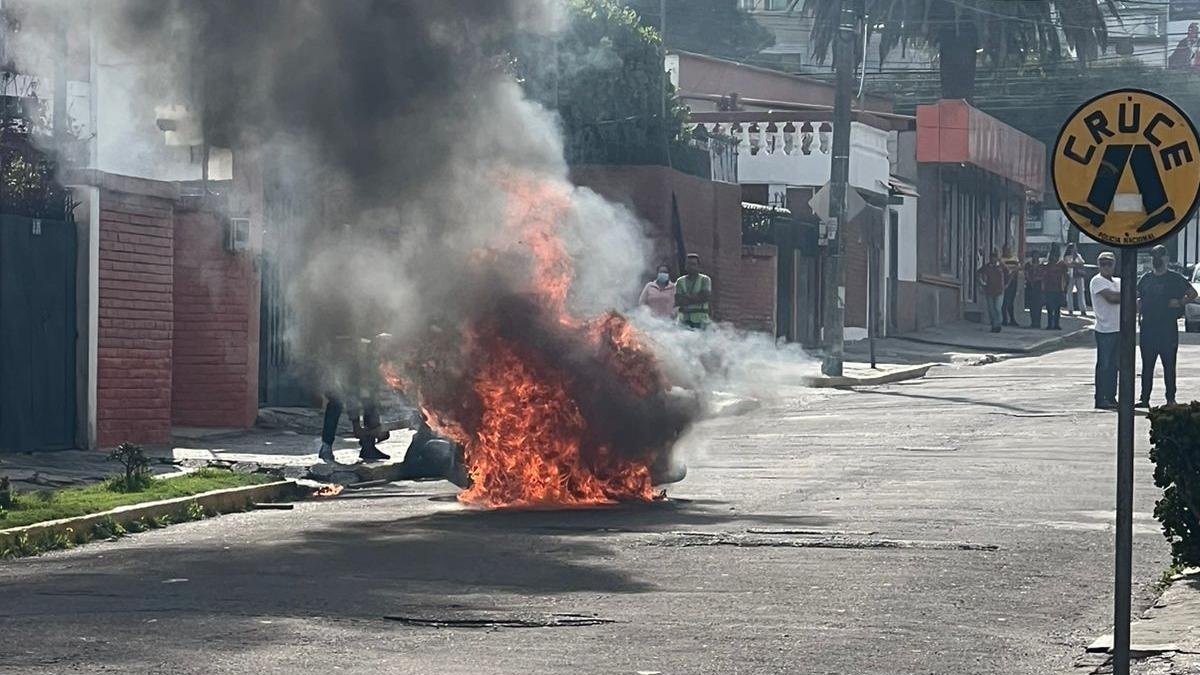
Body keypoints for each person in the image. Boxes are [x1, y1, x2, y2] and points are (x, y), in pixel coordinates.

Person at [1137, 245, 1197, 407]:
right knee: (1147, 366)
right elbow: (1138, 297)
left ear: (1166, 258)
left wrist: (1180, 302)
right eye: (1154, 256)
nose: (1157, 259)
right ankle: (1144, 399)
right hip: (1148, 329)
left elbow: (1193, 293)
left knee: (1169, 366)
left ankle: (1170, 399)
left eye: (1160, 256)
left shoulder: (1175, 278)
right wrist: (1138, 308)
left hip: (1167, 329)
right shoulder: (1145, 279)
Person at [318, 333, 392, 463]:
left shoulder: (372, 356)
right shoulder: (359, 357)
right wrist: (356, 425)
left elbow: (368, 387)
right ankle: (326, 447)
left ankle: (369, 448)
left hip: (352, 383)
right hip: (336, 381)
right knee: (336, 405)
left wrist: (377, 426)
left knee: (370, 402)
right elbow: (353, 393)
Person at [1091, 252, 1122, 410]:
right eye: (1103, 263)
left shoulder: (1118, 282)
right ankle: (1100, 398)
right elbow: (1111, 298)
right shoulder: (1097, 281)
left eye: (1109, 263)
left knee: (1115, 366)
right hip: (1104, 330)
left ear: (1114, 264)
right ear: (1098, 265)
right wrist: (1129, 295)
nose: (1106, 267)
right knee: (1104, 365)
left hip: (1119, 329)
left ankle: (1111, 396)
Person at [675, 253, 713, 329]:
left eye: (693, 264)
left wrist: (686, 297)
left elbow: (704, 297)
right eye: (688, 264)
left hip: (701, 321)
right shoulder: (680, 281)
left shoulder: (705, 280)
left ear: (698, 266)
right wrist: (696, 297)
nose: (691, 267)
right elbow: (678, 300)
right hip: (684, 320)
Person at [977, 248, 1006, 333]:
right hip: (989, 290)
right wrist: (982, 284)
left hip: (999, 290)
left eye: (994, 257)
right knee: (991, 309)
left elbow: (1010, 273)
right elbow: (978, 274)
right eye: (991, 258)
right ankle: (994, 325)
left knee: (997, 308)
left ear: (997, 258)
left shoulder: (1001, 266)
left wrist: (1006, 284)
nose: (993, 259)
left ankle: (998, 324)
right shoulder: (987, 267)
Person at [1041, 244, 1069, 330]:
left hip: (1058, 288)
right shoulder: (1048, 265)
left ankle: (1055, 324)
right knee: (1050, 307)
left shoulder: (1062, 265)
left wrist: (1065, 288)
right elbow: (1044, 277)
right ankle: (1051, 324)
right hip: (1050, 288)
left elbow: (1066, 277)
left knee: (1057, 307)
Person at [1063, 243, 1088, 316]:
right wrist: (1076, 264)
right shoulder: (1067, 256)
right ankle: (1070, 309)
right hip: (1071, 276)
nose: (1074, 249)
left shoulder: (1078, 255)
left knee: (1081, 292)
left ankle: (1083, 309)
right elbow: (1068, 264)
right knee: (1069, 292)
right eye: (1073, 248)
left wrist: (1075, 262)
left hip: (1079, 275)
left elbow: (1082, 263)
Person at [1001, 245, 1020, 327]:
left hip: (1013, 282)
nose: (1007, 252)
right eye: (1005, 250)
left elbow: (1018, 268)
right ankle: (1004, 319)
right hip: (1004, 282)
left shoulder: (1014, 259)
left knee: (1011, 301)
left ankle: (1012, 319)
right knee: (1004, 301)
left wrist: (1013, 272)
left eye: (1008, 250)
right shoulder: (1001, 260)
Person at [1024, 252, 1044, 329]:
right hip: (1030, 287)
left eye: (1037, 256)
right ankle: (1033, 322)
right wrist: (1030, 280)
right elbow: (1026, 274)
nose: (1035, 257)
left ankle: (1038, 322)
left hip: (1038, 287)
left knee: (1038, 306)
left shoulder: (1041, 266)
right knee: (1031, 306)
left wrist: (1037, 279)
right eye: (1034, 256)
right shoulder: (1028, 265)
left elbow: (1043, 275)